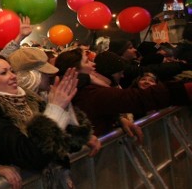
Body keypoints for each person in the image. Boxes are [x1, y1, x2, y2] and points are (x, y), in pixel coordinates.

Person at [0, 55, 93, 189]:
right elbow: (30, 155)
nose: (13, 76)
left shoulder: (32, 101)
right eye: (4, 73)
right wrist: (55, 109)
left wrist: (66, 108)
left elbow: (72, 144)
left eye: (12, 71)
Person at [55, 48, 192, 137]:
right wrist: (185, 89)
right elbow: (137, 98)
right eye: (87, 62)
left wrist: (118, 119)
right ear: (74, 71)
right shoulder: (90, 93)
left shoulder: (80, 89)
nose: (93, 65)